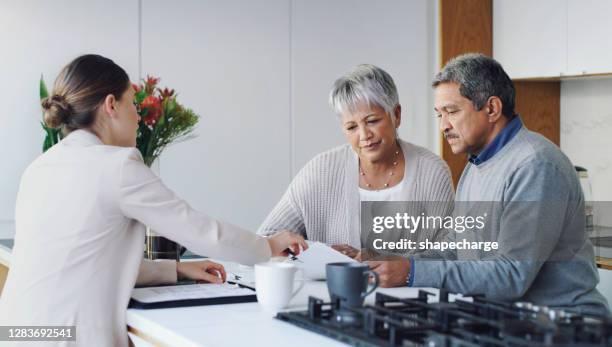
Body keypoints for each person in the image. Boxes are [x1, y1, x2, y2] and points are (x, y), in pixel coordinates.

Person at [0, 54, 307, 347]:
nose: (138, 117)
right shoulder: (116, 166)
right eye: (132, 103)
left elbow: (89, 260)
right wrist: (266, 246)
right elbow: (200, 230)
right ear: (111, 105)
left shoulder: (39, 168)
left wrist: (175, 270)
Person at [375, 53, 609, 315]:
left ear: (492, 109)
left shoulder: (535, 165)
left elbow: (511, 275)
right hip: (511, 322)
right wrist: (394, 264)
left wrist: (411, 272)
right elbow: (458, 247)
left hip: (565, 327)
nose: (444, 125)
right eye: (439, 114)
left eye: (451, 111)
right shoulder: (477, 164)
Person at [258, 64, 454, 264]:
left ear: (396, 115)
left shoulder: (432, 171)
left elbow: (449, 254)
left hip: (409, 295)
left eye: (372, 121)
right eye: (351, 127)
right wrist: (321, 253)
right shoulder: (321, 171)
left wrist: (395, 262)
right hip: (329, 294)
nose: (364, 136)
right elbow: (266, 240)